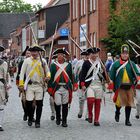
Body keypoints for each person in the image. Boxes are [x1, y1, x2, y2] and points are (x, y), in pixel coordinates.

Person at [19, 45, 50, 128]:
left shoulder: (43, 61)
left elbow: (47, 71)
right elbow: (22, 73)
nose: (34, 53)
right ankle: (30, 117)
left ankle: (38, 121)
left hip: (39, 85)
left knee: (39, 104)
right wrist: (21, 84)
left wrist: (48, 76)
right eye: (32, 51)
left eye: (35, 52)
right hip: (30, 85)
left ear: (38, 52)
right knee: (29, 103)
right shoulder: (26, 61)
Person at [109, 44, 140, 126]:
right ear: (121, 54)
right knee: (119, 103)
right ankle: (117, 112)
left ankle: (127, 120)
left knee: (129, 103)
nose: (125, 55)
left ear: (128, 54)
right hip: (120, 87)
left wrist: (138, 78)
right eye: (123, 53)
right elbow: (111, 76)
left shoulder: (132, 64)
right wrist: (111, 84)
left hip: (129, 86)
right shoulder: (116, 64)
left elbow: (137, 73)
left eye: (126, 53)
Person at [48, 48, 78, 127]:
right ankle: (58, 117)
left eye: (61, 55)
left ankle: (64, 121)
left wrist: (75, 84)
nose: (60, 56)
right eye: (58, 55)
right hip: (57, 87)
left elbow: (72, 76)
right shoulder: (53, 65)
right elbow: (50, 78)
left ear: (64, 56)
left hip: (66, 87)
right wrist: (50, 88)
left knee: (65, 104)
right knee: (57, 103)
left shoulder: (68, 65)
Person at [80, 47, 107, 126]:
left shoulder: (100, 62)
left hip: (99, 84)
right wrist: (82, 84)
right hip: (90, 85)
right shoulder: (86, 63)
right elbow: (82, 75)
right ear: (90, 54)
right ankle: (90, 114)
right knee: (90, 100)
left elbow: (104, 74)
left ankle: (96, 119)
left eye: (96, 53)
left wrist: (108, 79)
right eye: (93, 53)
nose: (95, 55)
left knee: (98, 103)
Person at [16, 46, 36, 121]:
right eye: (27, 53)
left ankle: (32, 115)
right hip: (24, 84)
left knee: (33, 102)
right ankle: (25, 112)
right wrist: (18, 84)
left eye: (29, 53)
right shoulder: (22, 62)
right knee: (24, 101)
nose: (28, 54)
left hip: (33, 84)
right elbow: (19, 74)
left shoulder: (35, 62)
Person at [74, 49, 89, 119]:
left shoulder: (91, 63)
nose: (85, 56)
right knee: (81, 99)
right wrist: (74, 83)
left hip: (89, 83)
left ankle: (88, 115)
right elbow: (74, 73)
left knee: (89, 99)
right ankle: (80, 111)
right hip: (81, 82)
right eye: (84, 55)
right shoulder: (79, 63)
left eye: (87, 55)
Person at [0, 45, 11, 131]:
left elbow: (6, 75)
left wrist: (8, 84)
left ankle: (0, 124)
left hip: (1, 86)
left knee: (1, 106)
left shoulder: (4, 63)